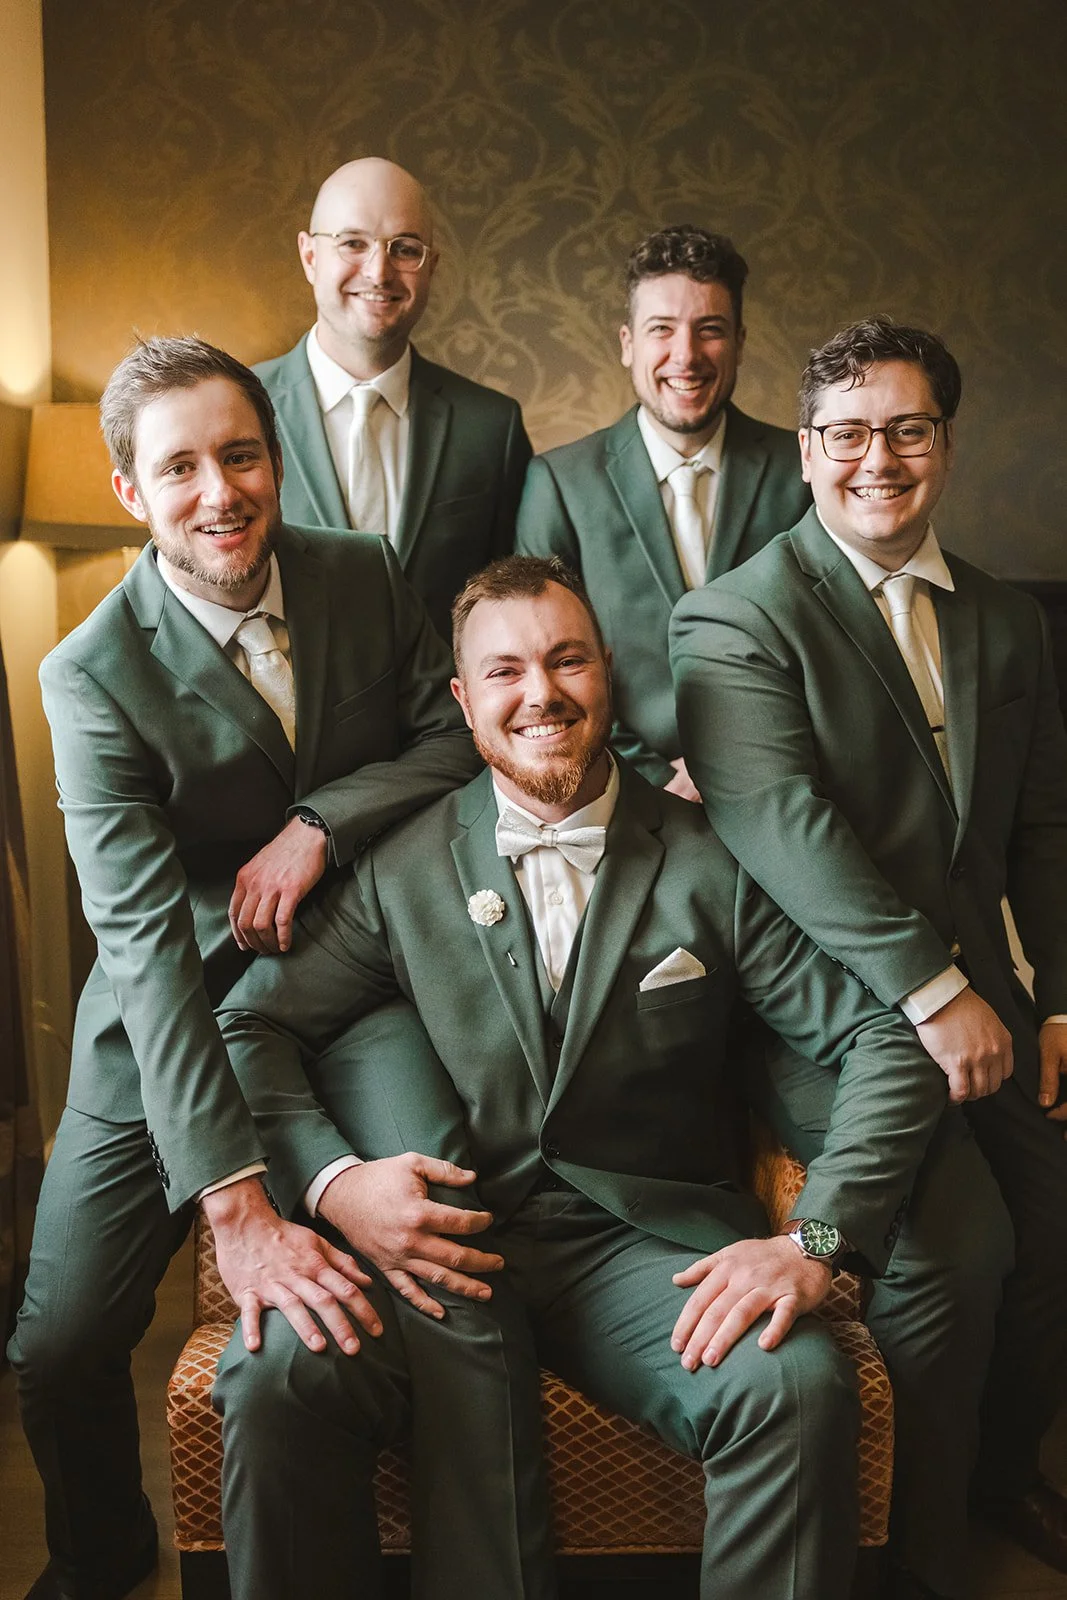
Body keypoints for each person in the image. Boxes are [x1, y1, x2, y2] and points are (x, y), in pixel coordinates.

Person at [212, 554, 994, 1600]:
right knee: (275, 1372)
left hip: (640, 1249)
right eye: (505, 673)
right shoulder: (396, 869)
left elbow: (882, 1041)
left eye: (565, 659)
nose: (541, 693)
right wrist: (334, 1184)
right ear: (463, 701)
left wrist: (813, 1243)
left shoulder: (712, 860)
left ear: (607, 673)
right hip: (430, 1251)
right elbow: (247, 1026)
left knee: (795, 1382)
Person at [6, 336, 522, 1600]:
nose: (217, 491)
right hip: (168, 1004)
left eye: (239, 454)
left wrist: (321, 822)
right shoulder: (86, 675)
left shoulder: (362, 573)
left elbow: (447, 746)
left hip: (357, 983)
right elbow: (133, 939)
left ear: (275, 458)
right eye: (176, 467)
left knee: (444, 1228)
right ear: (130, 491)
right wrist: (234, 1211)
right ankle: (101, 1552)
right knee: (59, 1343)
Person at [671, 317, 1067, 1597]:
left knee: (1052, 1223)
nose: (875, 460)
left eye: (906, 429)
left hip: (993, 999)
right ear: (804, 449)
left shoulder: (1007, 623)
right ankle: (920, 1563)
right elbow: (783, 827)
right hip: (821, 1017)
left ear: (944, 443)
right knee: (953, 1260)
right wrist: (933, 990)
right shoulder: (730, 620)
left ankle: (996, 1480)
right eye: (846, 433)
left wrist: (1054, 995)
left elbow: (1040, 826)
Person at [516, 224, 810, 797]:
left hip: (781, 783)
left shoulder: (800, 471)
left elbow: (828, 648)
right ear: (628, 343)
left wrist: (751, 764)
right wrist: (650, 774)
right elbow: (542, 663)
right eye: (661, 330)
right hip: (618, 791)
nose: (687, 355)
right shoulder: (559, 482)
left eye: (710, 331)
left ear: (741, 342)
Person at [254, 156, 531, 639]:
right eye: (353, 244)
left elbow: (511, 608)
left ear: (432, 266)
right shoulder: (241, 408)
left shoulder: (492, 427)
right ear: (309, 256)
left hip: (444, 713)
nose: (379, 272)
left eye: (405, 249)